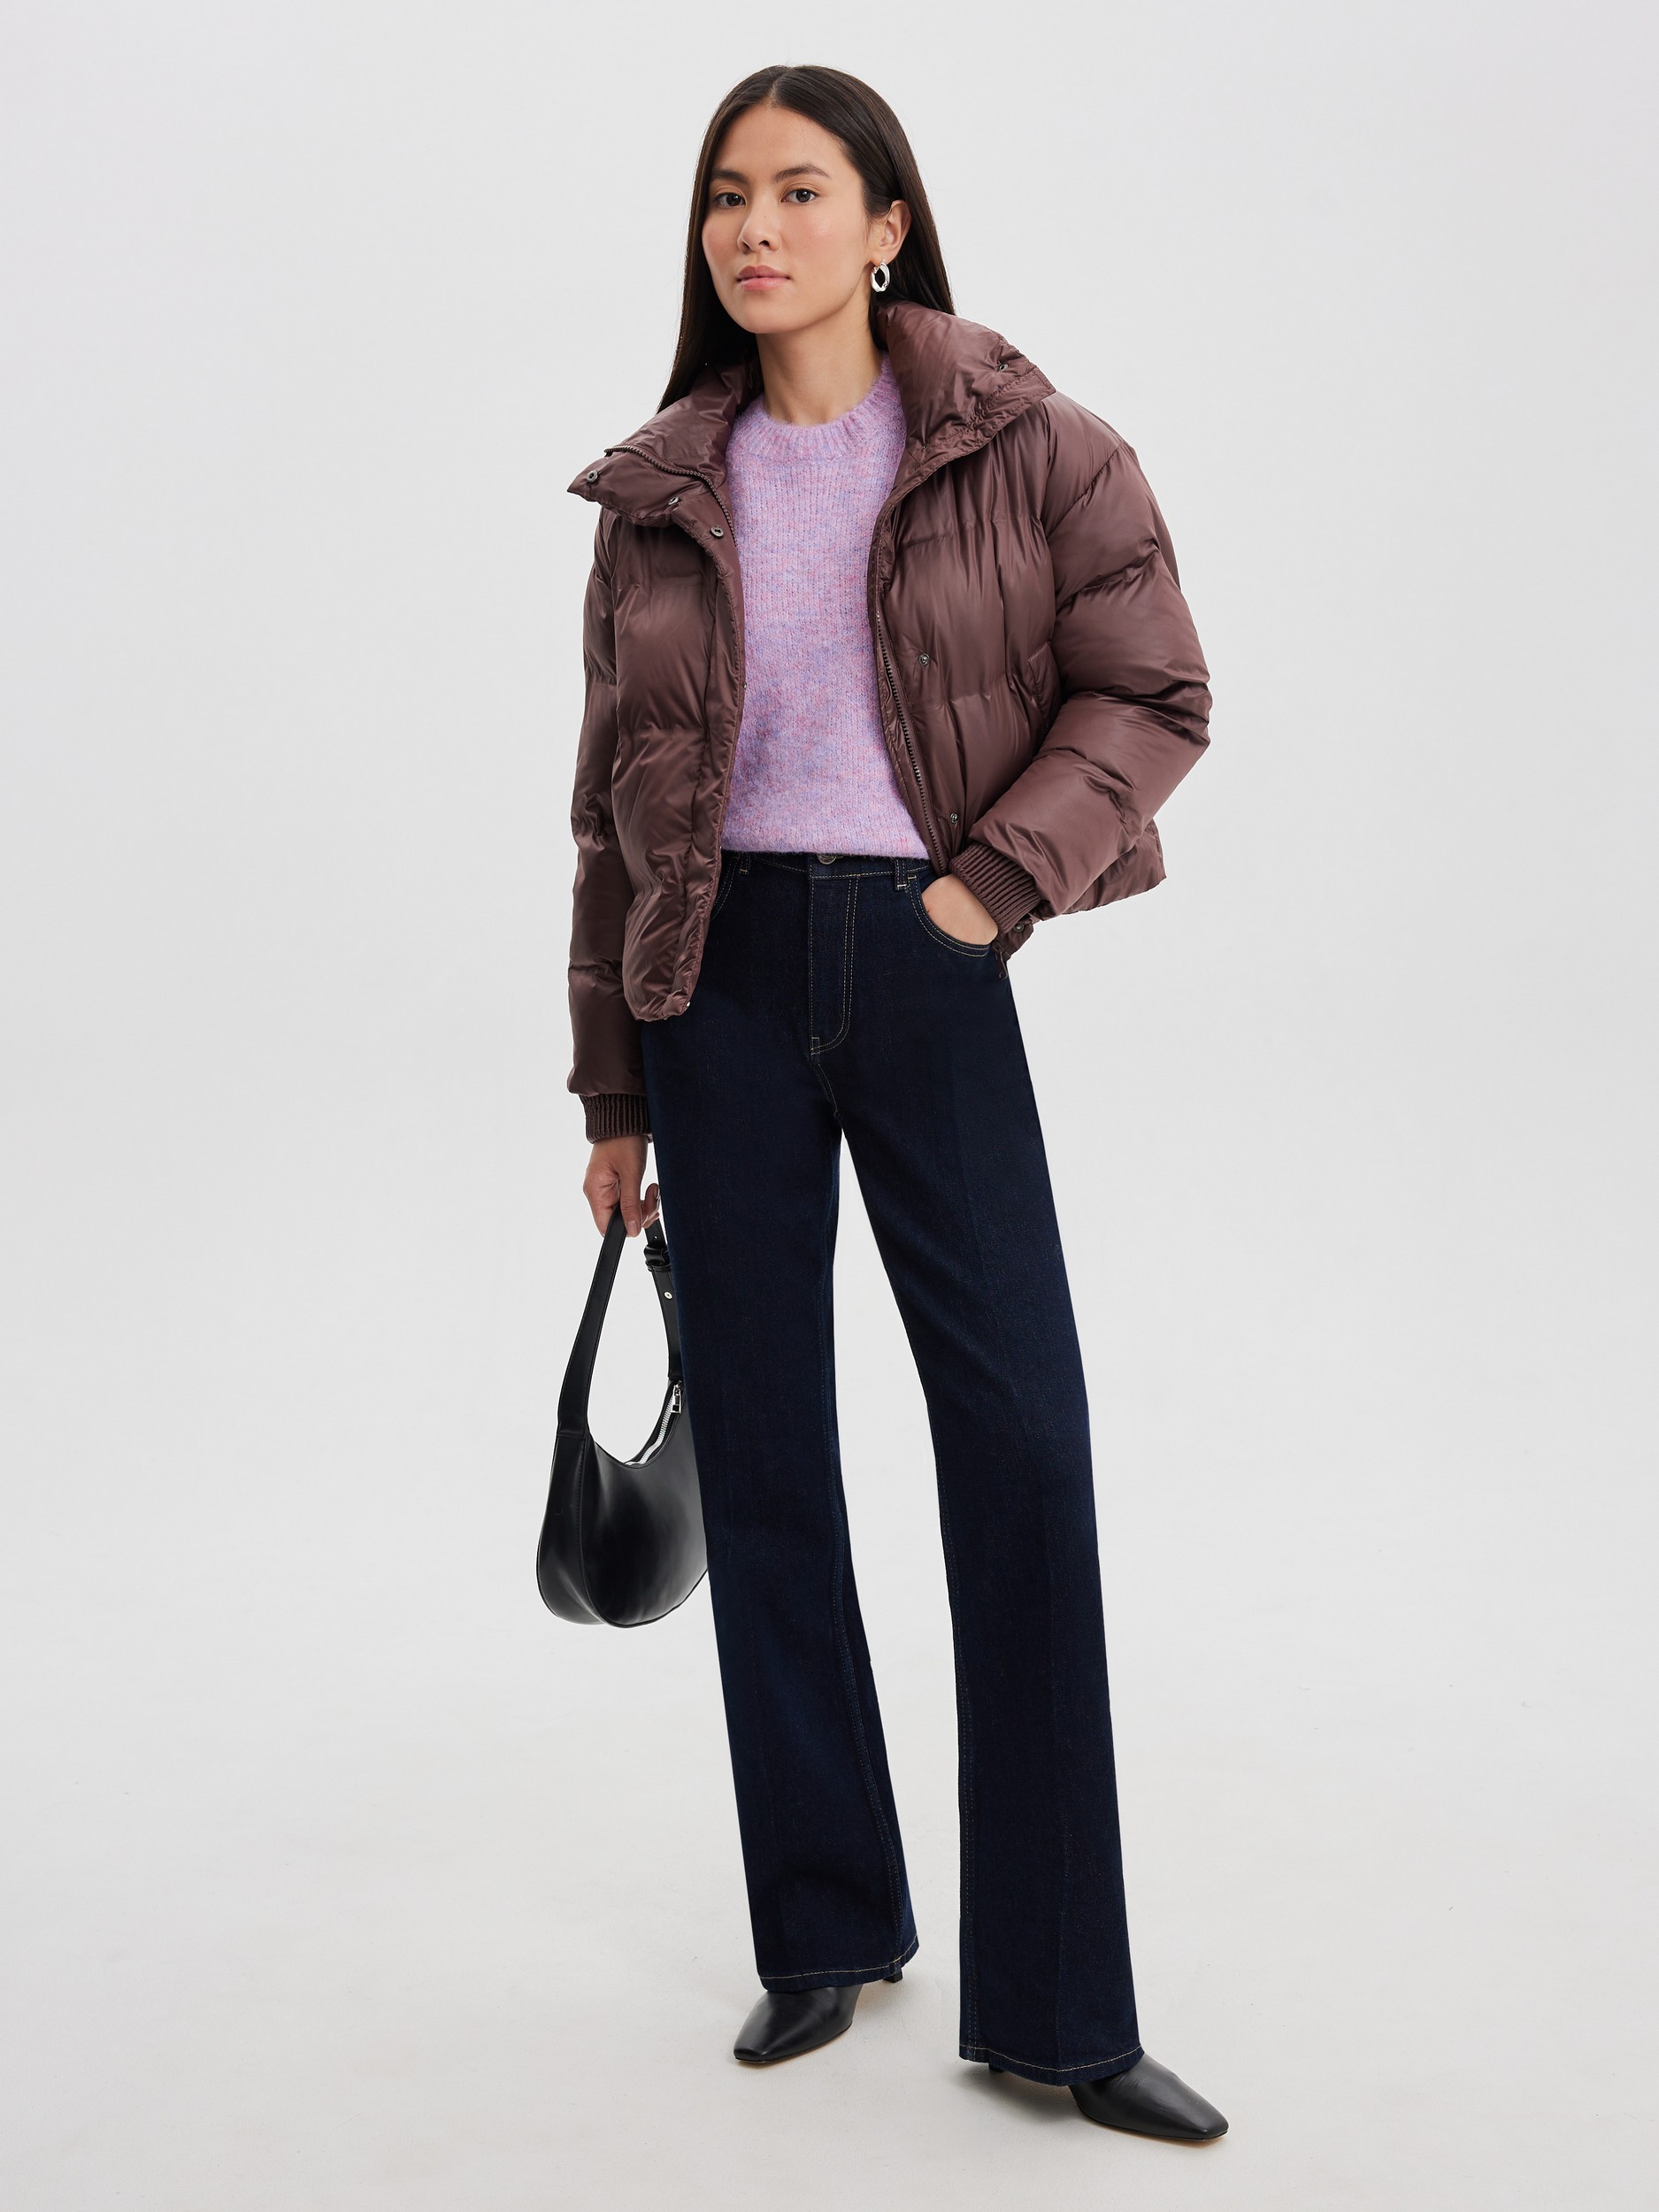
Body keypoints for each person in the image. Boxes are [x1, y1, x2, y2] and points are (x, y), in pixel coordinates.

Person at [564, 63, 1225, 2144]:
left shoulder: (1026, 445)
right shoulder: (662, 491)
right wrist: (612, 1084)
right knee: (765, 1454)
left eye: (797, 191)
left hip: (928, 962)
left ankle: (1058, 2005)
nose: (753, 230)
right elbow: (604, 817)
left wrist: (982, 888)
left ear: (883, 226)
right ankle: (824, 1923)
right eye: (724, 197)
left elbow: (1154, 688)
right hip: (714, 988)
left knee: (1017, 1445)